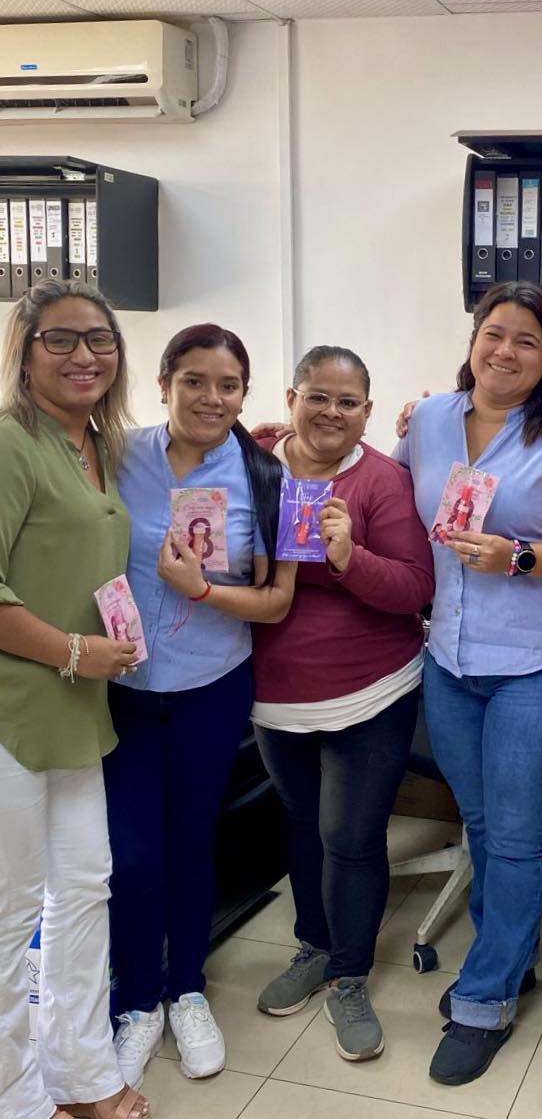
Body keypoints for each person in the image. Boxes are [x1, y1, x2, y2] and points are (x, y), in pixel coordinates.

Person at [396, 281, 542, 1086]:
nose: (505, 351)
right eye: (494, 333)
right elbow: (388, 497)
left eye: (527, 340)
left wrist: (519, 555)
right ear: (473, 339)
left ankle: (486, 995)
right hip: (451, 659)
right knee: (483, 824)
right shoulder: (428, 420)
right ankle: (510, 952)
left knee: (521, 833)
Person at [106, 325, 294, 1090]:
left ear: (244, 394)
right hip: (121, 689)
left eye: (228, 385)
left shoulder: (264, 474)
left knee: (190, 841)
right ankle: (134, 1001)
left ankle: (186, 989)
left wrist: (204, 590)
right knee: (131, 851)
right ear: (163, 383)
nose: (211, 398)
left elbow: (276, 601)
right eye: (193, 380)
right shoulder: (115, 455)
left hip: (211, 688)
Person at [251, 345, 434, 1063]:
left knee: (351, 836)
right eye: (317, 397)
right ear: (290, 398)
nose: (331, 412)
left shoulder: (381, 480)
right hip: (276, 693)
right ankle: (315, 945)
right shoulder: (255, 463)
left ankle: (349, 976)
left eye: (348, 401)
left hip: (370, 690)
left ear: (367, 410)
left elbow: (415, 585)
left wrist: (350, 558)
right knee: (302, 823)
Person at [0, 281, 149, 1119]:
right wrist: (71, 650)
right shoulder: (10, 443)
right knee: (10, 910)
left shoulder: (98, 444)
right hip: (14, 711)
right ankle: (15, 1098)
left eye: (99, 338)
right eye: (60, 339)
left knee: (85, 888)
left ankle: (81, 1074)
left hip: (79, 713)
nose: (84, 354)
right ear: (25, 353)